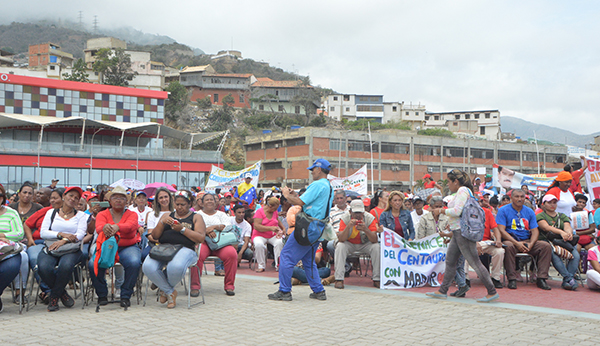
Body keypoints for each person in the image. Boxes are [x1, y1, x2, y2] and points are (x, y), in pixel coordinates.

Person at [426, 169, 499, 302]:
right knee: (450, 261)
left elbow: (457, 211)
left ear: (456, 181)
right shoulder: (465, 191)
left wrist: (440, 211)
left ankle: (492, 291)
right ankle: (442, 290)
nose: (447, 184)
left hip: (462, 233)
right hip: (458, 231)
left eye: (449, 181)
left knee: (474, 263)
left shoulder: (462, 191)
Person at [269, 158, 334, 301]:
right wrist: (294, 194)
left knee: (286, 256)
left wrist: (286, 194)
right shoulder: (328, 186)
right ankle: (318, 291)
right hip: (317, 227)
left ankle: (284, 291)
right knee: (309, 260)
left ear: (318, 169)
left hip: (307, 227)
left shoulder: (317, 184)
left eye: (312, 170)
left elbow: (299, 203)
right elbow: (308, 202)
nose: (311, 173)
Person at [142, 190, 205, 308]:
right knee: (147, 266)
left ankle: (165, 291)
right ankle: (170, 292)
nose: (179, 207)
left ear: (189, 204)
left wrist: (182, 229)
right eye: (177, 204)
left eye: (183, 204)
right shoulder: (167, 215)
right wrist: (161, 222)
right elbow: (154, 236)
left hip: (186, 249)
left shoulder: (196, 217)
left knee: (175, 267)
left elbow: (200, 238)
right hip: (164, 248)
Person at [89, 186, 141, 308]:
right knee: (92, 264)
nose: (118, 200)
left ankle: (125, 294)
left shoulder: (132, 214)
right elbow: (99, 228)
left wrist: (115, 227)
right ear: (110, 201)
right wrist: (108, 228)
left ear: (126, 202)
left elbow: (131, 227)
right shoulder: (102, 214)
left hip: (128, 247)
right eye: (115, 198)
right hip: (106, 247)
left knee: (134, 262)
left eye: (122, 198)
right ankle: (102, 294)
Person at [37, 186, 87, 312]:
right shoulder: (51, 212)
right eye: (71, 196)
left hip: (71, 248)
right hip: (51, 246)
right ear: (64, 196)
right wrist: (61, 234)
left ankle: (54, 297)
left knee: (66, 266)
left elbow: (80, 235)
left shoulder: (81, 216)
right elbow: (43, 232)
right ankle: (62, 293)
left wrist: (63, 241)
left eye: (76, 198)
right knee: (43, 267)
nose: (73, 199)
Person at [496, 189, 553, 290]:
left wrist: (531, 243)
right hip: (511, 240)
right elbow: (501, 230)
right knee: (508, 246)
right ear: (511, 198)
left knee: (545, 246)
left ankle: (541, 278)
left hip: (526, 240)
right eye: (517, 197)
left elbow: (535, 231)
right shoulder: (503, 210)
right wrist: (516, 243)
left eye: (522, 197)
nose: (519, 199)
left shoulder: (529, 211)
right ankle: (512, 279)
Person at [191, 193, 238, 296]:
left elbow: (228, 227)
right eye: (207, 200)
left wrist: (215, 227)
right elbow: (193, 228)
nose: (209, 202)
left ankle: (229, 286)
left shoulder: (222, 214)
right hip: (203, 242)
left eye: (211, 200)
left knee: (232, 254)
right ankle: (195, 286)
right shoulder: (197, 214)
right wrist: (206, 231)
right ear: (202, 202)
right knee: (197, 255)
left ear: (215, 202)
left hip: (220, 243)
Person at [24, 188, 65, 304]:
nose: (52, 200)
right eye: (51, 198)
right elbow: (26, 224)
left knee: (64, 263)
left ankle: (55, 292)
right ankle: (48, 291)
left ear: (64, 199)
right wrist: (30, 239)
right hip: (38, 242)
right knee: (34, 259)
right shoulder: (45, 211)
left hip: (60, 244)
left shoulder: (72, 214)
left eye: (55, 198)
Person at [334, 199, 382, 289]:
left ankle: (377, 278)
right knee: (340, 246)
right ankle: (339, 279)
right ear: (350, 212)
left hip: (365, 244)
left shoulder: (369, 218)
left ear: (363, 212)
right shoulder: (345, 218)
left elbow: (374, 240)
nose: (357, 215)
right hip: (349, 244)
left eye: (360, 212)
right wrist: (348, 227)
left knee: (376, 247)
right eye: (355, 212)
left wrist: (366, 230)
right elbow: (341, 239)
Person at [536, 194, 580, 290]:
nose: (552, 205)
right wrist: (561, 232)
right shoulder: (540, 216)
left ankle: (567, 280)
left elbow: (567, 226)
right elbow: (546, 227)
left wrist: (568, 233)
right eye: (549, 202)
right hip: (547, 242)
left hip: (561, 241)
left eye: (554, 202)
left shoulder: (562, 216)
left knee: (575, 254)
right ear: (543, 204)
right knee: (553, 253)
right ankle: (568, 278)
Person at [0, 183, 26, 309]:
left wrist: (2, 235)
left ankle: (17, 291)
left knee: (10, 267)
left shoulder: (11, 213)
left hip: (8, 250)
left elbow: (19, 234)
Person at [252, 197, 284, 272]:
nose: (276, 211)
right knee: (259, 244)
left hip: (272, 235)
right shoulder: (259, 212)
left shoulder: (274, 212)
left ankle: (278, 265)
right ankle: (261, 265)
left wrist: (283, 228)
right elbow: (256, 226)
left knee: (279, 243)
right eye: (274, 208)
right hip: (259, 235)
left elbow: (277, 220)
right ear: (270, 206)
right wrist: (270, 228)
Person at [144, 188, 174, 258]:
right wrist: (161, 241)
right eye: (161, 198)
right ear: (157, 200)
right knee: (143, 256)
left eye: (166, 197)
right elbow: (150, 234)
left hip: (172, 245)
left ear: (170, 198)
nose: (164, 200)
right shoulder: (152, 214)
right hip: (155, 244)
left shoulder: (176, 213)